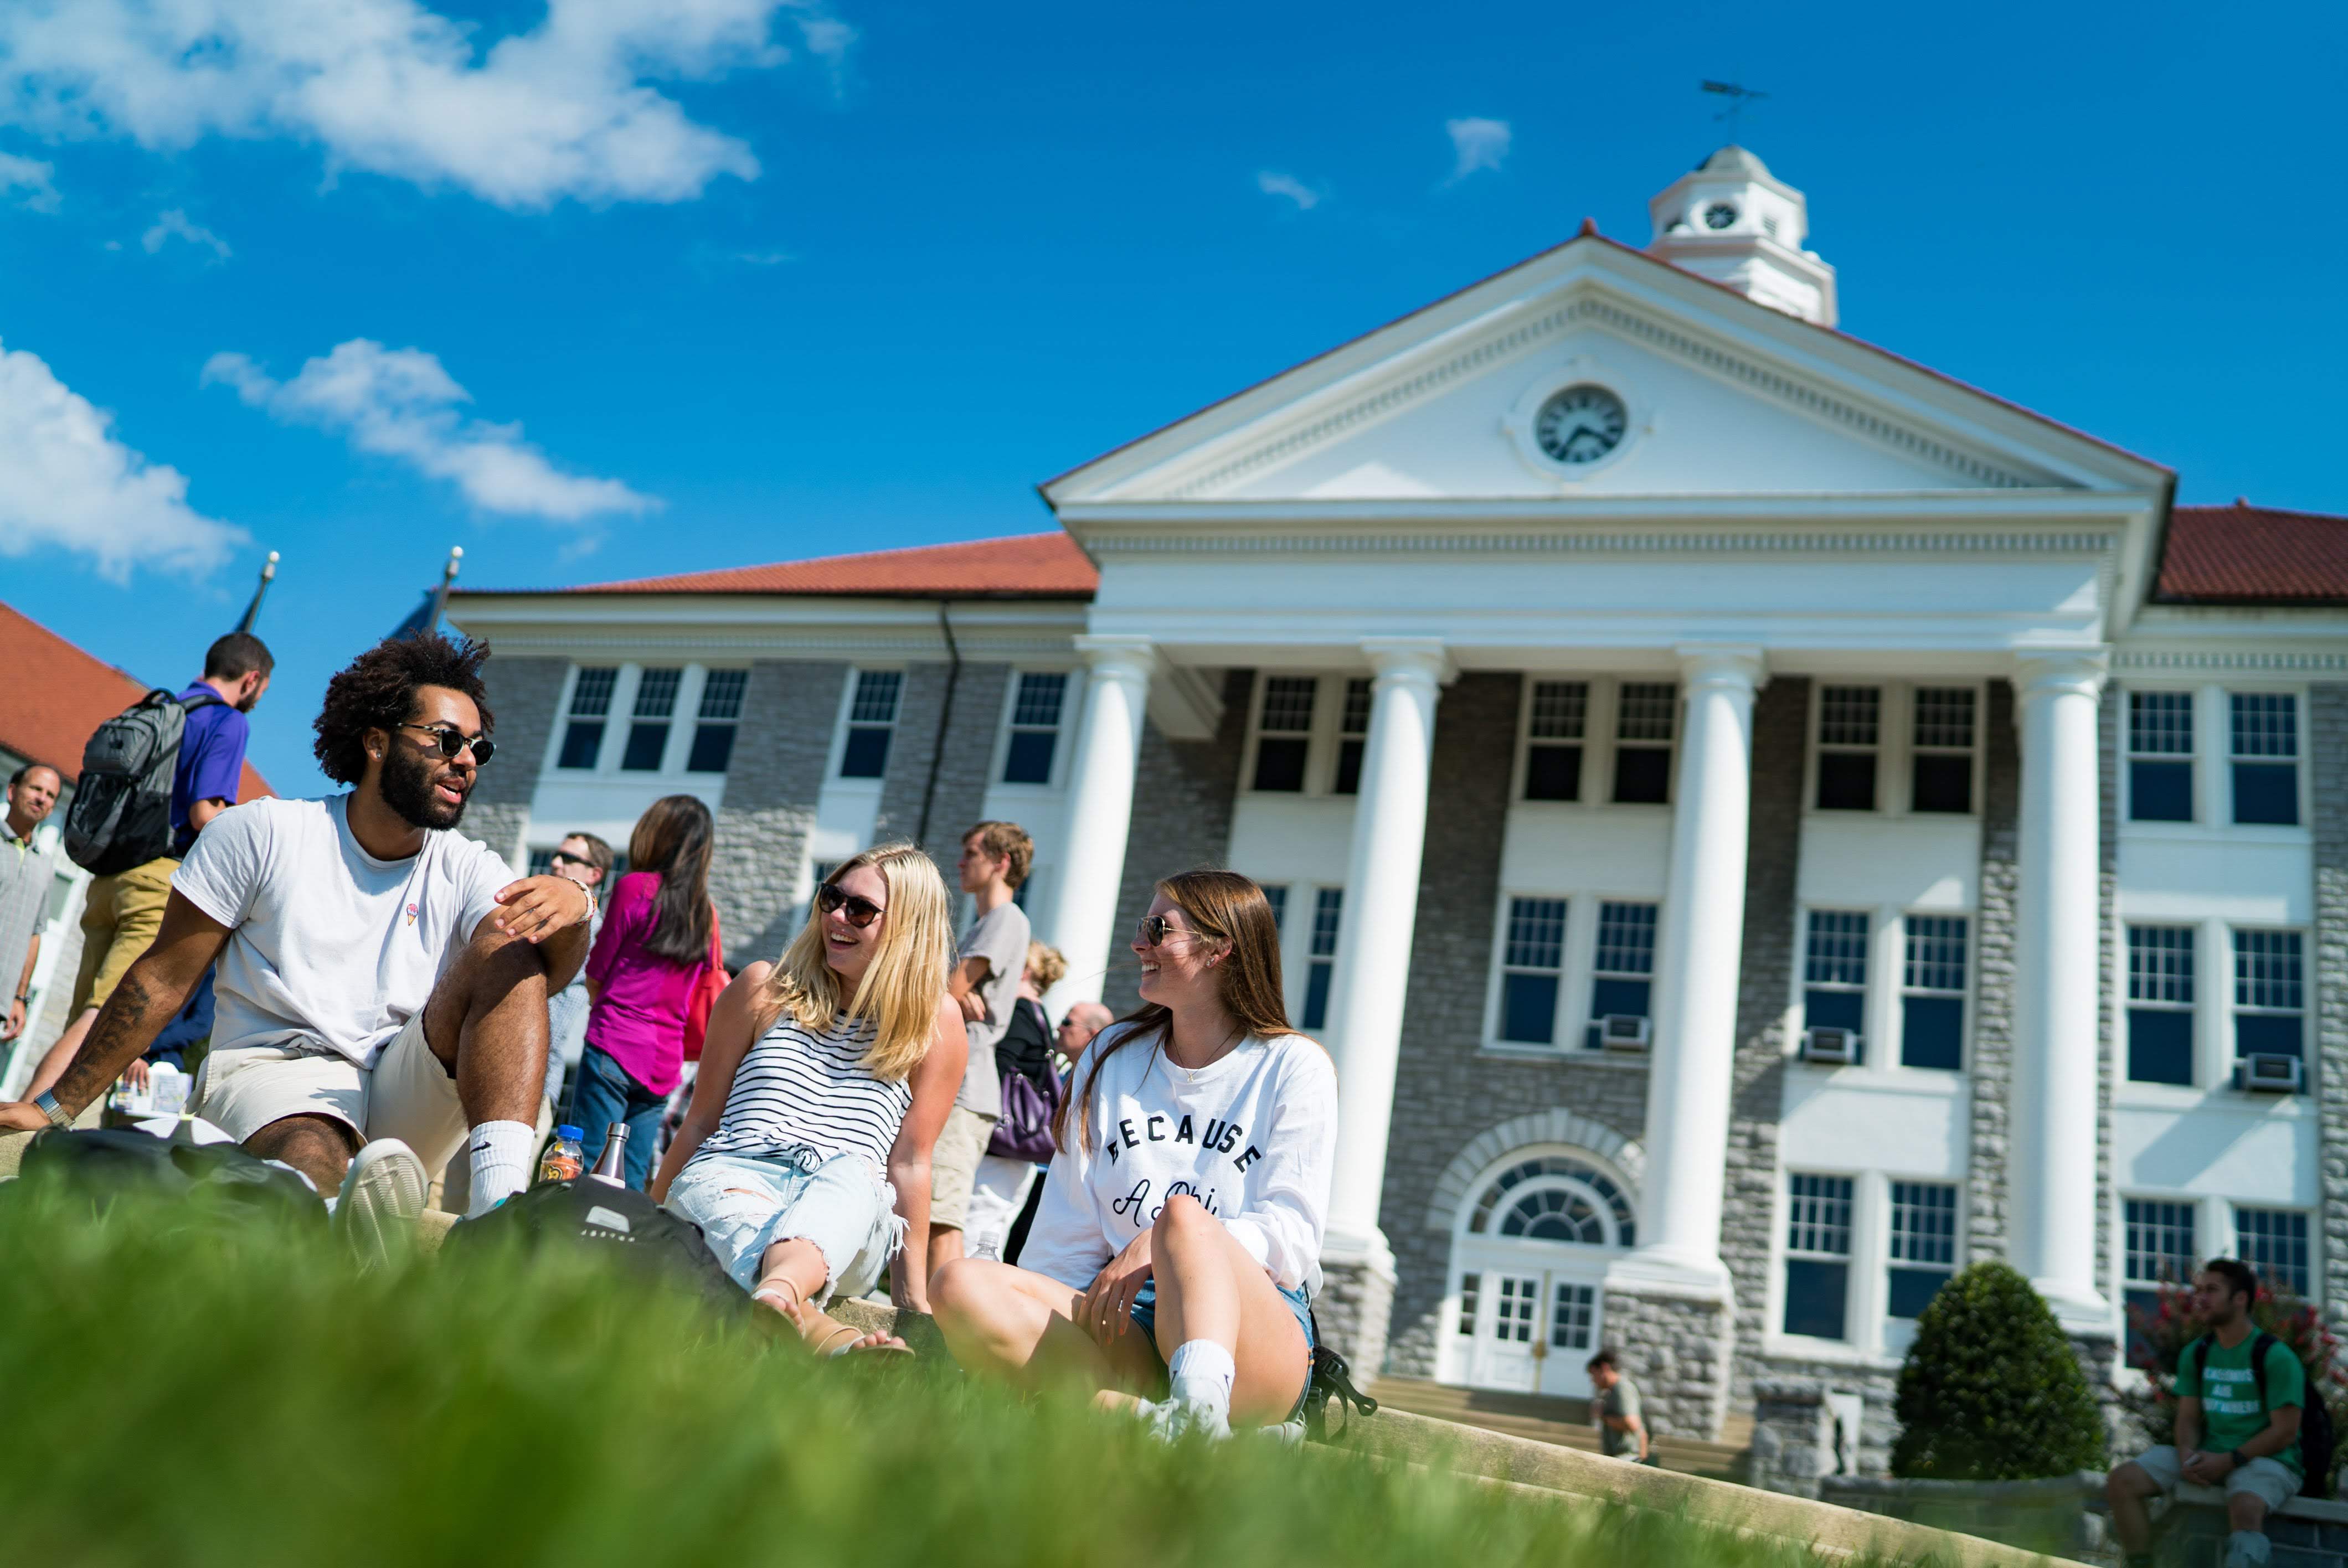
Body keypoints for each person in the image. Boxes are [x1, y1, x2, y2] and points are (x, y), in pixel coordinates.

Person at [0, 632, 595, 1254]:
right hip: (272, 1069)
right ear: (376, 742)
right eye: (446, 740)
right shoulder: (263, 832)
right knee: (314, 1144)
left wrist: (578, 909)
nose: (467, 760)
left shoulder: (466, 866)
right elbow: (160, 980)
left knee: (509, 940)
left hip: (398, 1083)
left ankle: (501, 1217)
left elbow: (541, 974)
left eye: (478, 748)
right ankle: (333, 1245)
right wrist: (54, 1109)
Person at [931, 870, 1338, 1441]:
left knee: (1184, 1218)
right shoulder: (1110, 1056)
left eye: (1158, 928)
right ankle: (1166, 1430)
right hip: (1125, 1319)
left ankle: (1199, 1414)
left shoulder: (1293, 1065)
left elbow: (1293, 1238)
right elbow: (1066, 1235)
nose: (1138, 943)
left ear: (1220, 947)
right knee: (960, 1282)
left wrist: (1165, 1239)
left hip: (1255, 1339)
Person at [652, 843, 966, 1352]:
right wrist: (651, 1217)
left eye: (860, 910)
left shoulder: (936, 1024)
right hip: (734, 1176)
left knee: (852, 1173)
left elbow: (910, 1163)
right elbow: (700, 1122)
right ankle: (822, 1331)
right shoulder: (762, 989)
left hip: (848, 1208)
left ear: (908, 927)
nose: (837, 916)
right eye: (832, 897)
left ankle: (784, 1301)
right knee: (734, 1193)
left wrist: (913, 1301)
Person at [31, 632, 271, 1099]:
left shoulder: (167, 709)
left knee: (84, 1021)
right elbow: (206, 813)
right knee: (106, 1023)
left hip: (107, 880)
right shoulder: (228, 722)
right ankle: (16, 1136)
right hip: (157, 881)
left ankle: (43, 1148)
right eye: (262, 691)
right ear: (252, 680)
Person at [2108, 1259, 2306, 1568]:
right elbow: (2187, 1419)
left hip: (2269, 1460)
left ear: (2240, 1299)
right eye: (2198, 1289)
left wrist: (2229, 1461)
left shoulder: (2276, 1357)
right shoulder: (2197, 1353)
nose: (2199, 1298)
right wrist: (2187, 1455)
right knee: (2122, 1481)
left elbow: (2285, 1432)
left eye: (2211, 1290)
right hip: (2209, 1455)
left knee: (2244, 1506)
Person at [573, 798, 718, 1190]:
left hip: (614, 1042)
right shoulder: (705, 913)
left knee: (588, 1166)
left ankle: (567, 1250)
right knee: (632, 1180)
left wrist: (600, 1004)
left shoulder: (635, 888)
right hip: (664, 1063)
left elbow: (598, 969)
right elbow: (707, 986)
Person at [928, 821, 1032, 1277]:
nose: (961, 861)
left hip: (966, 1086)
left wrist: (948, 990)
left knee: (942, 1216)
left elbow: (950, 990)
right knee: (931, 1209)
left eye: (972, 852)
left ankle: (936, 1331)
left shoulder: (1006, 918)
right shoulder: (987, 923)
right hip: (957, 1081)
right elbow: (951, 993)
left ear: (1001, 862)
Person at [962, 941, 1065, 1261]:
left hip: (999, 1147)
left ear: (1024, 971)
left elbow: (997, 1068)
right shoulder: (1038, 1014)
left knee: (975, 1227)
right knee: (991, 1229)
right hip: (1018, 1149)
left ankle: (954, 1303)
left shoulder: (1020, 1010)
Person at [543, 832, 612, 1117]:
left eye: (570, 858)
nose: (557, 863)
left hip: (535, 1086)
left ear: (595, 874)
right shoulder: (539, 914)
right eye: (557, 855)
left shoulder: (594, 930)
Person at [0, 765, 61, 1054]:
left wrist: (20, 997)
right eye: (36, 789)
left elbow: (35, 934)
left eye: (51, 795)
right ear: (13, 792)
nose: (42, 799)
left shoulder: (45, 865)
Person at [1587, 1349, 1651, 1463]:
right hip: (1622, 1457)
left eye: (1593, 1374)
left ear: (1604, 1368)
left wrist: (1603, 1416)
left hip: (1629, 1457)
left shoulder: (1622, 1389)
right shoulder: (1612, 1391)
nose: (1592, 1381)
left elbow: (1632, 1424)